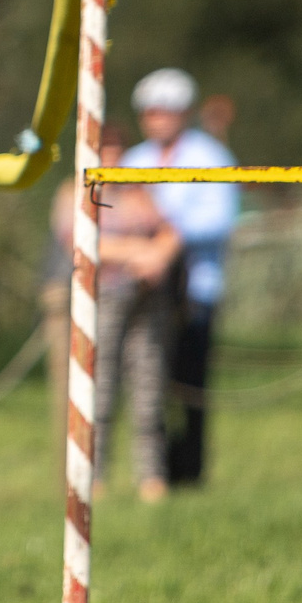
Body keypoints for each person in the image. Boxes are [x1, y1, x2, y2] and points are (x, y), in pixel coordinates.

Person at [118, 68, 238, 487]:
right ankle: (152, 471)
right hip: (142, 292)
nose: (158, 119)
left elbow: (220, 218)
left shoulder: (211, 157)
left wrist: (169, 240)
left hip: (195, 291)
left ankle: (189, 471)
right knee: (145, 382)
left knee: (189, 382)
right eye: (151, 112)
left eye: (167, 111)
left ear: (183, 113)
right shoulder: (133, 161)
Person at [91, 133, 182, 504]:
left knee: (149, 389)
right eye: (105, 156)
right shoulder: (77, 194)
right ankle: (94, 478)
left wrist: (157, 256)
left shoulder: (140, 194)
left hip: (147, 301)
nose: (112, 164)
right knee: (100, 390)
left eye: (118, 156)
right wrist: (134, 251)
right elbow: (81, 242)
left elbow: (172, 232)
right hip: (104, 302)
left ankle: (151, 478)